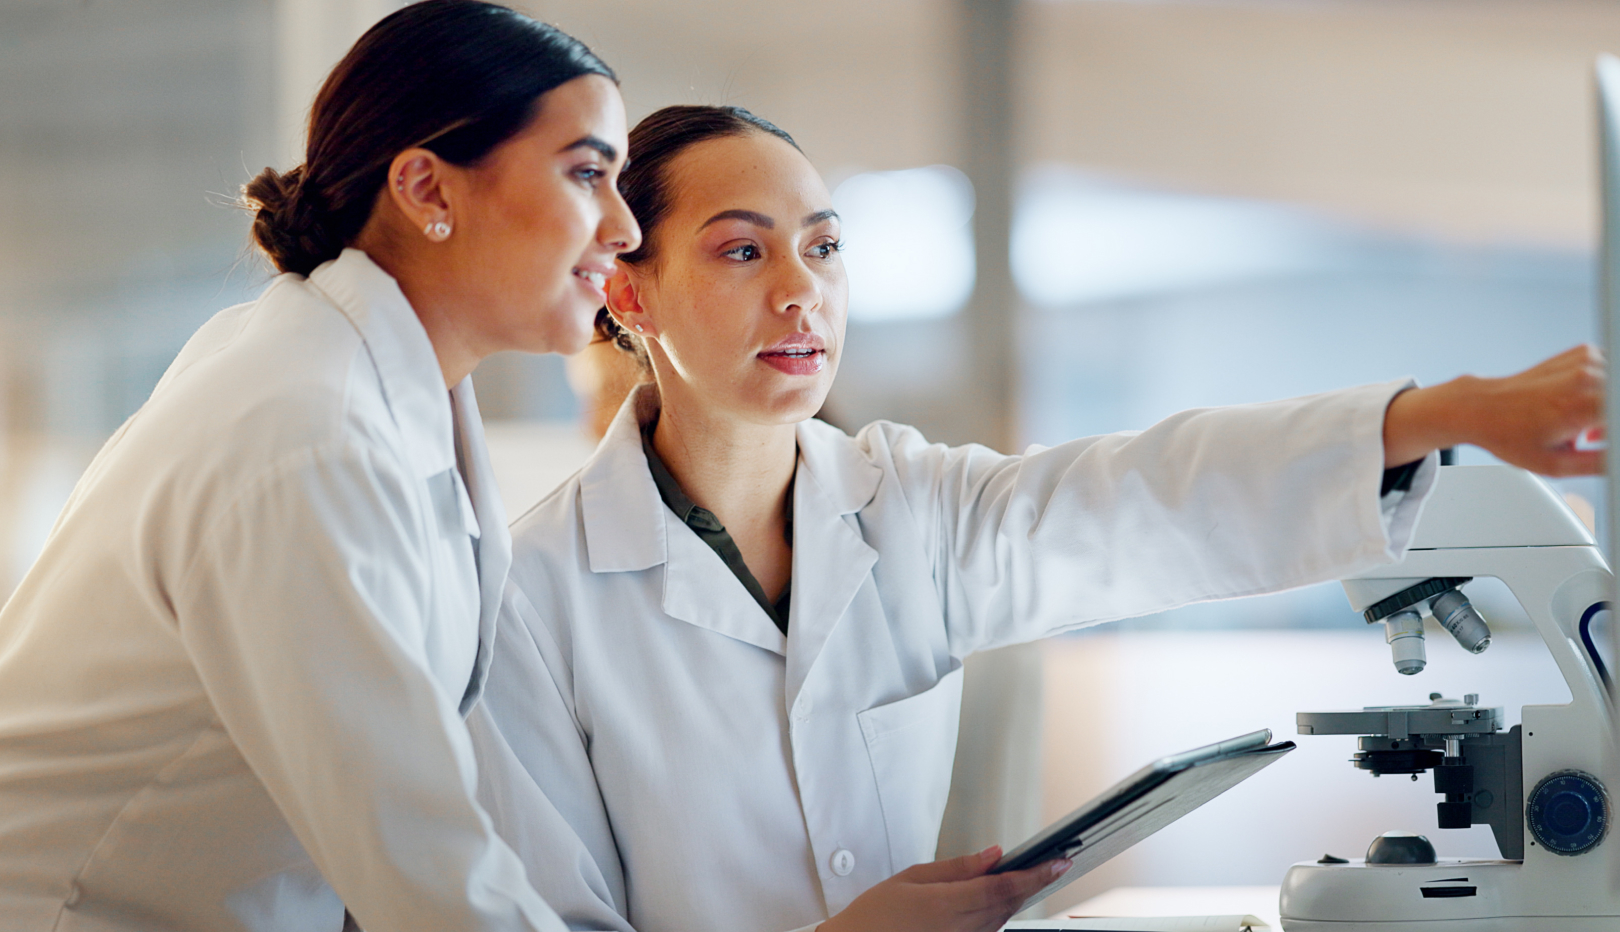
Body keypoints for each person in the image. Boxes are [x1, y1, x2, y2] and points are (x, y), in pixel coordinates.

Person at [467, 104, 1605, 932]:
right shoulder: (532, 600)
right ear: (629, 292)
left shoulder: (913, 505)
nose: (800, 289)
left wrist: (1445, 413)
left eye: (823, 246)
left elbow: (1147, 495)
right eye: (741, 249)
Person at [0, 3, 639, 931]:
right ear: (427, 190)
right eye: (587, 173)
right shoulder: (310, 434)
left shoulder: (366, 382)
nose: (624, 226)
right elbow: (425, 870)